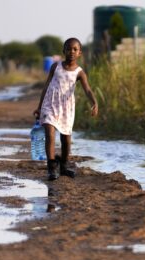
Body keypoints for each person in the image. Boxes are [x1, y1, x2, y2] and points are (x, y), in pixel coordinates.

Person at [34, 38, 98, 181]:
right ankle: (51, 168)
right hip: (50, 104)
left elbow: (87, 89)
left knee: (66, 140)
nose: (71, 52)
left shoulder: (79, 72)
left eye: (75, 49)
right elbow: (46, 86)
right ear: (64, 51)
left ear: (80, 53)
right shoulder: (55, 67)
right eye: (68, 49)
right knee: (50, 134)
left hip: (66, 108)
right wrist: (39, 107)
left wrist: (94, 102)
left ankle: (63, 166)